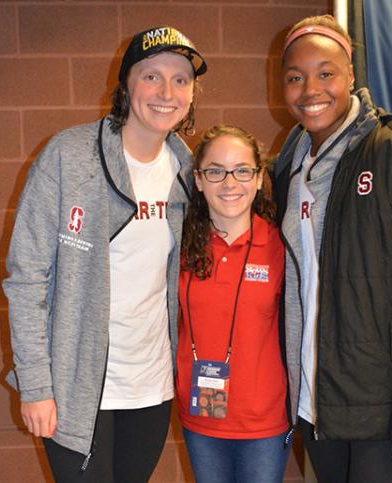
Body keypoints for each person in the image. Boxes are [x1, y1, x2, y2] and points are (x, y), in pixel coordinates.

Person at [2, 26, 207, 482]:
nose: (166, 92)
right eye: (151, 76)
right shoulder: (69, 156)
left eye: (180, 80)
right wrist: (35, 385)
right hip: (78, 388)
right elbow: (26, 278)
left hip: (150, 386)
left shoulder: (188, 171)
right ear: (126, 85)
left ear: (192, 94)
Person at [274, 14, 392, 483]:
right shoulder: (288, 166)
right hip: (316, 403)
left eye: (326, 73)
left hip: (382, 408)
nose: (310, 89)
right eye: (295, 77)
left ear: (351, 75)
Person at [176, 125, 291, 483]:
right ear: (197, 180)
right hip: (200, 416)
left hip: (264, 421)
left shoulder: (281, 246)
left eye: (242, 170)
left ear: (258, 179)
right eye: (215, 171)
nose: (229, 183)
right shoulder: (176, 246)